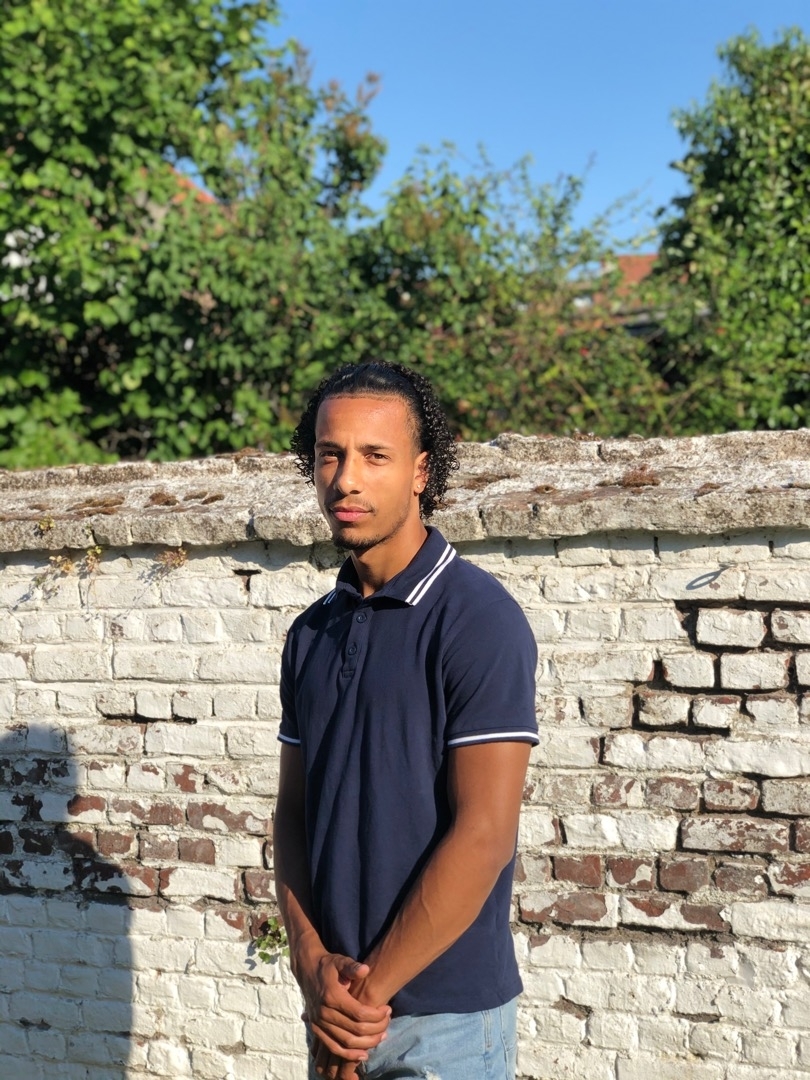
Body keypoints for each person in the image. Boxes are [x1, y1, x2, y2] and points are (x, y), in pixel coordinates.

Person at [274, 360, 538, 1080]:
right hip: (336, 1010)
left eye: (374, 456)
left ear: (421, 471)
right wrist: (310, 964)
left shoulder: (477, 619)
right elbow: (294, 812)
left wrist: (361, 1006)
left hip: (445, 1027)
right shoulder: (311, 633)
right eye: (330, 455)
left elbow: (485, 835)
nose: (346, 480)